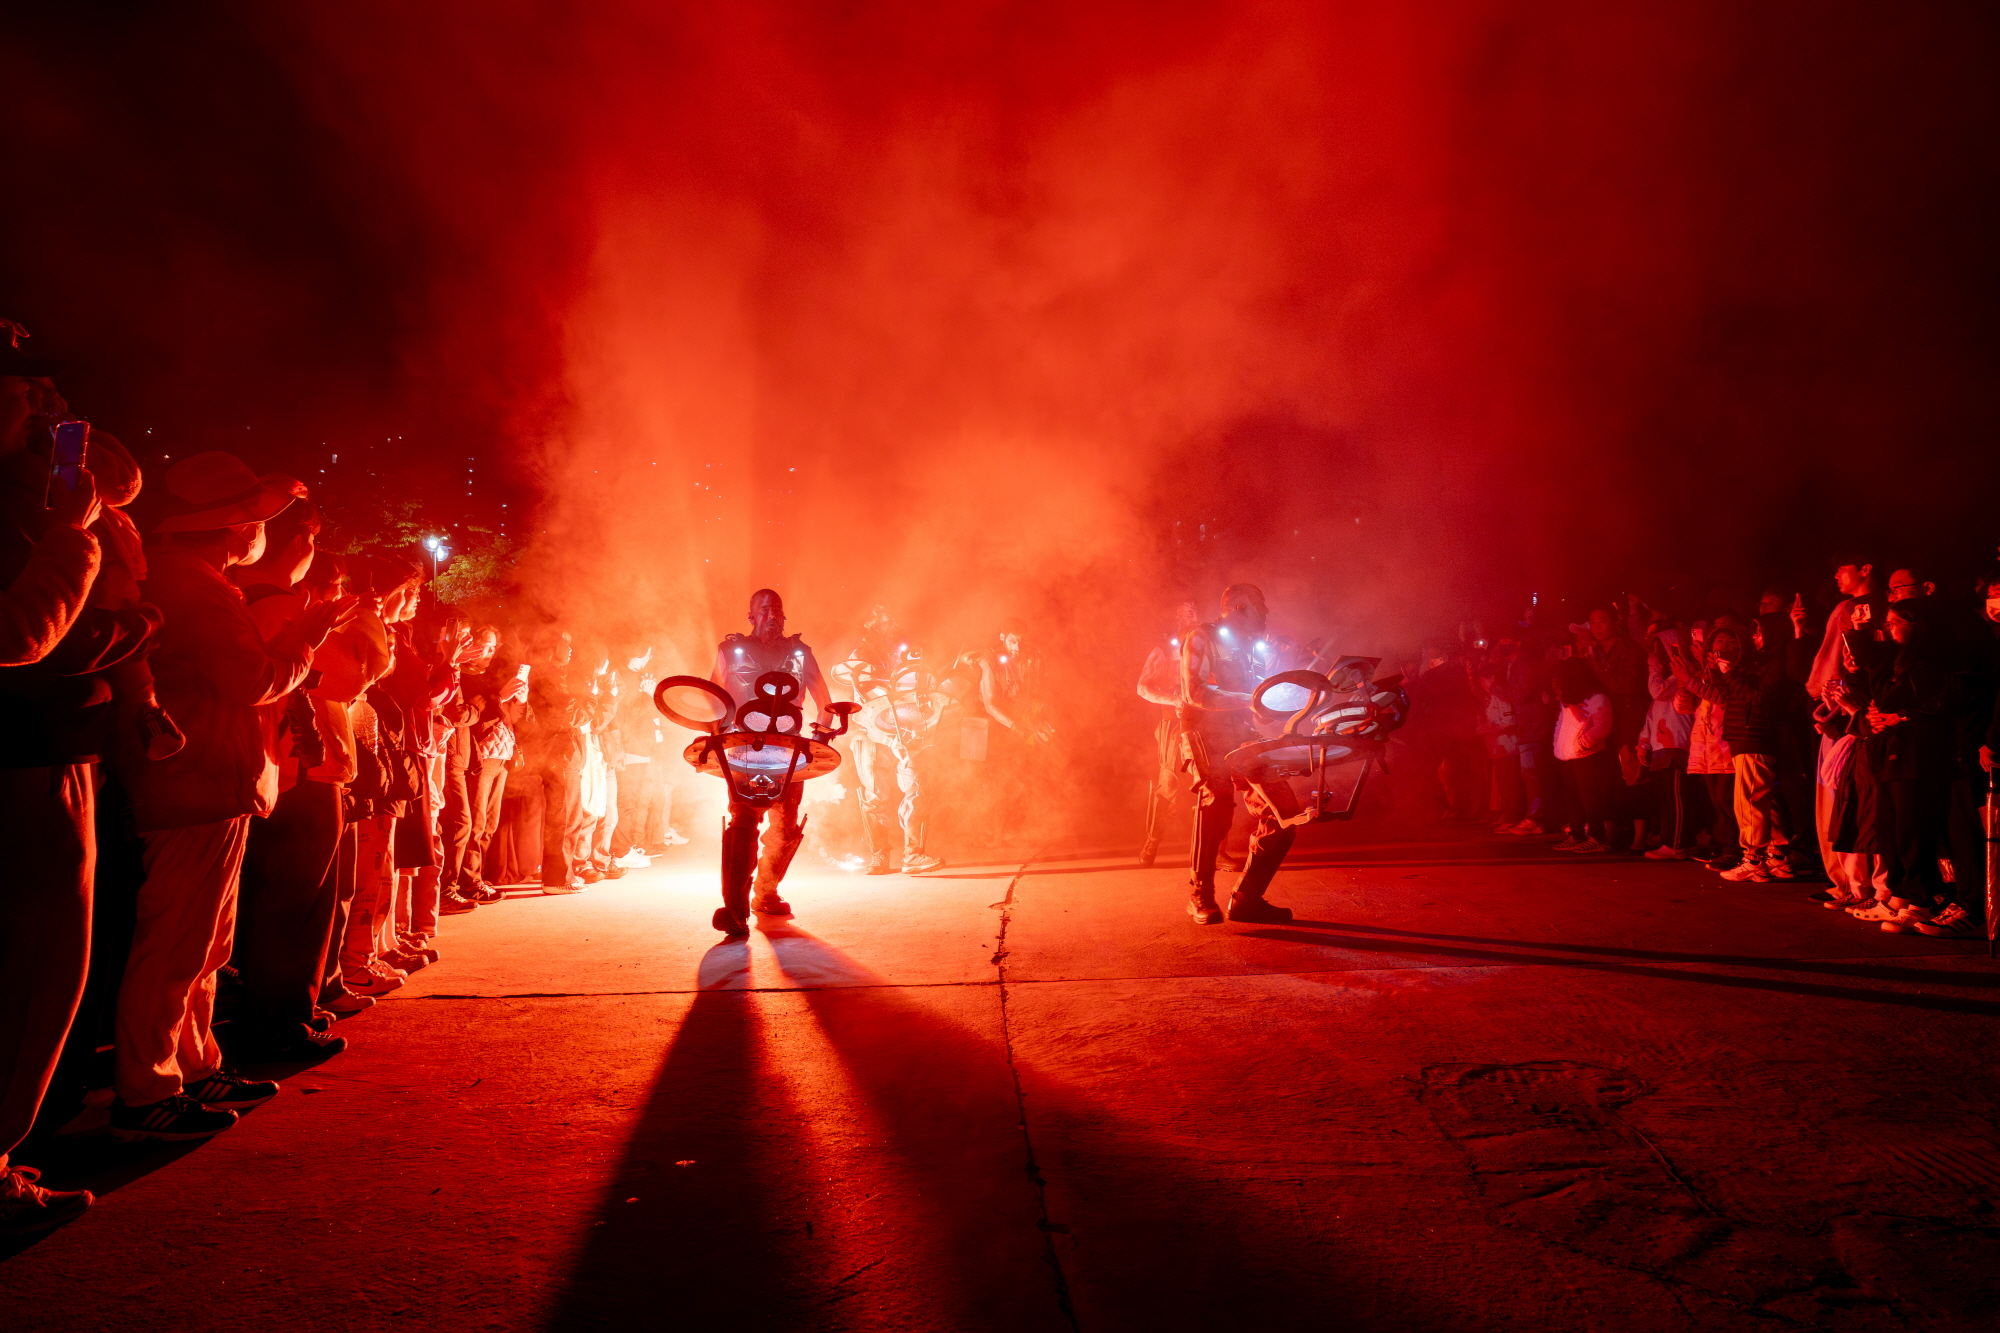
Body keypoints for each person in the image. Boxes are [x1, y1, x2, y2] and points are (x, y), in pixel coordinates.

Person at [111, 451, 356, 1142]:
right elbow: (251, 679)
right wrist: (305, 642)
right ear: (230, 529)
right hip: (193, 783)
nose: (262, 534)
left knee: (204, 943)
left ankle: (192, 1064)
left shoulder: (197, 579)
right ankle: (146, 1089)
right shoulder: (195, 586)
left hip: (211, 782)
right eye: (256, 522)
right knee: (175, 945)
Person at [0, 329, 157, 1232]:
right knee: (31, 975)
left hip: (37, 753)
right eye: (28, 392)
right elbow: (25, 637)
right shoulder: (16, 506)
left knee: (33, 976)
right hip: (22, 763)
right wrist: (73, 536)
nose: (45, 411)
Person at [710, 588, 832, 934]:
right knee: (744, 821)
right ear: (751, 616)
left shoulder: (800, 653)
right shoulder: (730, 651)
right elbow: (713, 697)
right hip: (745, 747)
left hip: (790, 750)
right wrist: (715, 734)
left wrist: (820, 737)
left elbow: (824, 700)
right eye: (764, 610)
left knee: (784, 825)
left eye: (777, 609)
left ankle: (766, 891)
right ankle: (734, 909)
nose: (771, 615)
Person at [1179, 583, 1299, 925]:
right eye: (1260, 608)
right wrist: (1252, 700)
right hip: (1204, 733)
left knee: (1285, 814)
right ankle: (1199, 896)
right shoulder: (1201, 637)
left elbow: (1256, 700)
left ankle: (1247, 898)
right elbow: (1195, 693)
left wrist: (1280, 706)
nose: (1265, 615)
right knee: (1215, 802)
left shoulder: (1250, 647)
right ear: (1240, 607)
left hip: (1241, 735)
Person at [833, 606, 945, 875]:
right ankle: (880, 855)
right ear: (873, 625)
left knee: (916, 785)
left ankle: (914, 854)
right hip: (869, 731)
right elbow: (868, 696)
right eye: (887, 621)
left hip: (902, 730)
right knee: (875, 794)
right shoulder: (860, 656)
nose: (893, 626)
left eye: (895, 620)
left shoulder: (903, 653)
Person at [1137, 602, 1198, 864]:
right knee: (1169, 783)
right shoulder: (1164, 649)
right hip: (1172, 724)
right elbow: (1142, 687)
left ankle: (1214, 852)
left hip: (1205, 722)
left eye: (1193, 611)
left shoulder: (1207, 645)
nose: (1189, 616)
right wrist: (1173, 700)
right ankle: (1152, 841)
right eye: (1183, 611)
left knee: (1212, 783)